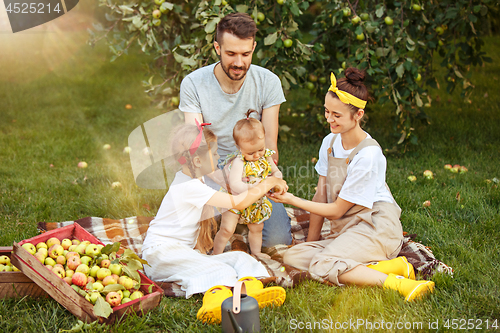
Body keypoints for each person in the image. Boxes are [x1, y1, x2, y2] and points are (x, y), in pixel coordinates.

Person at [270, 68, 435, 302]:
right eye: (327, 111)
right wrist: (313, 242)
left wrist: (290, 199)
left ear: (358, 115)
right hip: (348, 228)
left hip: (376, 227)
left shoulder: (368, 155)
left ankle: (397, 282)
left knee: (322, 263)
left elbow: (336, 209)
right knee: (294, 257)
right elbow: (321, 195)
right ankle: (393, 267)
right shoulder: (330, 142)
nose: (329, 119)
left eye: (336, 115)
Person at [179, 12, 292, 248]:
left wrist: (255, 186)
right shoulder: (193, 83)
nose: (239, 62)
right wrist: (231, 187)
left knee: (277, 242)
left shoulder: (268, 82)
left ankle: (238, 219)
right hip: (212, 171)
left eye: (245, 53)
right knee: (193, 238)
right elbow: (196, 150)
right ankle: (232, 218)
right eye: (231, 54)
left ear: (253, 47)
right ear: (217, 48)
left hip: (252, 169)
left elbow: (270, 146)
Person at [142, 123, 288, 302]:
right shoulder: (189, 186)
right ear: (197, 161)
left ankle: (252, 290)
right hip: (161, 255)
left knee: (241, 259)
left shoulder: (194, 176)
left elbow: (229, 184)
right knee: (219, 270)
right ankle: (215, 303)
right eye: (215, 153)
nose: (219, 157)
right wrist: (267, 183)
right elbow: (238, 203)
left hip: (178, 253)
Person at [213, 110, 282, 258]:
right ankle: (216, 254)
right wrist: (255, 186)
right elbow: (235, 184)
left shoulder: (266, 156)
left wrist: (276, 180)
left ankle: (256, 253)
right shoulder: (239, 161)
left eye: (260, 149)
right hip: (235, 199)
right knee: (227, 229)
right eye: (251, 153)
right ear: (239, 147)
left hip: (255, 201)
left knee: (257, 228)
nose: (257, 155)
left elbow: (276, 172)